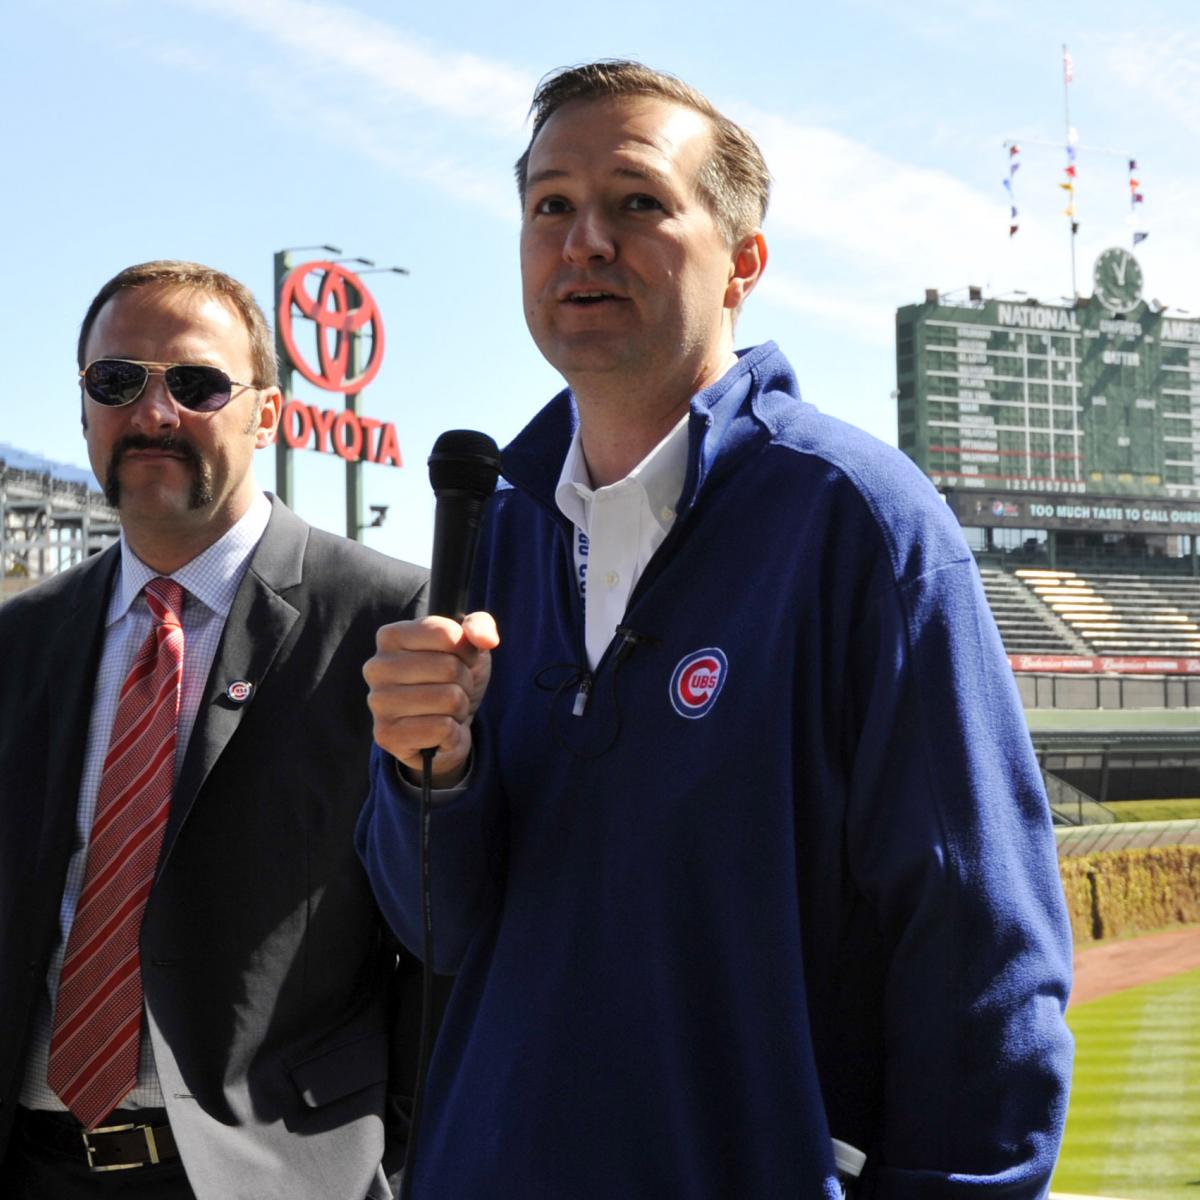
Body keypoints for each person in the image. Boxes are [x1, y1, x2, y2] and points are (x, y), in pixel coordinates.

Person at [357, 61, 1074, 1198]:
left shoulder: (860, 522)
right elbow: (433, 927)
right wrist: (427, 783)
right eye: (549, 205)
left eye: (636, 200)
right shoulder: (483, 540)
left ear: (744, 261)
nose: (582, 239)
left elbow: (981, 952)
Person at [0, 260, 428, 1199]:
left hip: (272, 1174)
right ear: (84, 410)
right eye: (118, 383)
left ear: (267, 416)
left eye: (195, 385)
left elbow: (442, 924)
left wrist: (382, 1152)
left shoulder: (385, 620)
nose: (154, 415)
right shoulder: (22, 642)